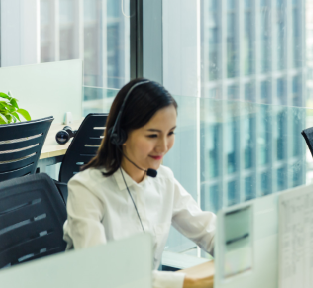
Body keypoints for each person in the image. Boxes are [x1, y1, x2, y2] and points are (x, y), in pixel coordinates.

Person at [62, 79, 215, 288]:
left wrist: (242, 247)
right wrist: (186, 282)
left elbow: (207, 229)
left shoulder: (164, 180)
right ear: (121, 135)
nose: (163, 146)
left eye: (170, 133)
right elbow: (99, 272)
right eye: (153, 135)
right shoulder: (86, 189)